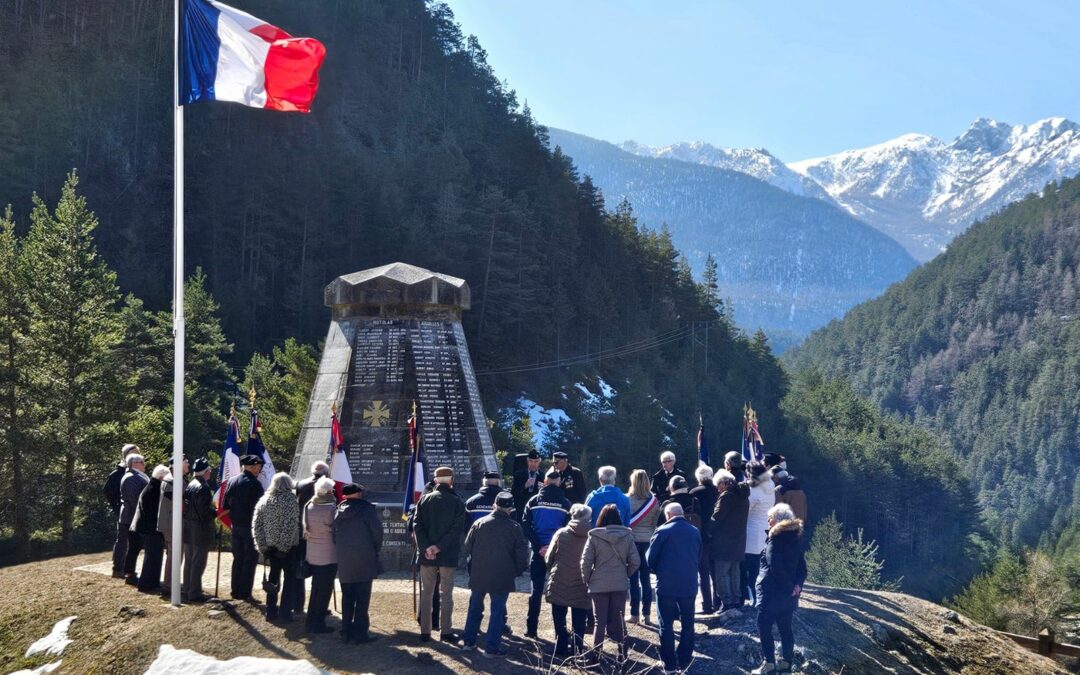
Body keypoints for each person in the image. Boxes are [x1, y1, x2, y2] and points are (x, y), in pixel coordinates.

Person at [462, 491, 529, 656]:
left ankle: (469, 642)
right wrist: (516, 571)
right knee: (497, 611)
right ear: (510, 508)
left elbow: (467, 546)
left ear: (495, 505)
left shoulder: (479, 523)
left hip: (479, 572)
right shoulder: (514, 527)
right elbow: (522, 555)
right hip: (503, 574)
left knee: (475, 607)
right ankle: (491, 647)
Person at [412, 466, 467, 643]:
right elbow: (456, 530)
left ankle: (425, 632)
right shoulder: (457, 502)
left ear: (436, 480)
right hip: (447, 554)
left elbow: (416, 525)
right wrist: (439, 547)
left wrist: (427, 547)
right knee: (446, 594)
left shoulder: (424, 499)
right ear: (451, 480)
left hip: (426, 555)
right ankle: (446, 631)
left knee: (426, 593)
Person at [751, 504, 807, 675]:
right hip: (788, 596)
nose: (768, 520)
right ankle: (786, 662)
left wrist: (790, 587)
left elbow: (774, 567)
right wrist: (797, 586)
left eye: (771, 517)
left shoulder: (775, 539)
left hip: (771, 593)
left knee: (763, 626)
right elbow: (802, 569)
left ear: (779, 520)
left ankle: (769, 663)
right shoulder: (795, 539)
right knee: (785, 629)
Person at [647, 502, 702, 673]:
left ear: (668, 515)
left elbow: (650, 560)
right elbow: (698, 556)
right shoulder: (695, 531)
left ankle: (669, 664)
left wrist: (659, 571)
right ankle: (685, 660)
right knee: (688, 624)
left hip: (667, 585)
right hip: (689, 584)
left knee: (666, 625)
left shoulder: (662, 531)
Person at [581, 503, 639, 663]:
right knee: (619, 620)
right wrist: (625, 574)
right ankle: (622, 654)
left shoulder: (594, 537)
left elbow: (585, 562)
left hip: (598, 584)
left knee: (599, 621)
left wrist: (587, 579)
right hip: (619, 583)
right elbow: (635, 561)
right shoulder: (627, 536)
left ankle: (596, 656)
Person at [522, 468, 571, 638]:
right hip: (557, 553)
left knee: (535, 590)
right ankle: (560, 631)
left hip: (538, 551)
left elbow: (526, 526)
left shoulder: (533, 501)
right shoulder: (565, 504)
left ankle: (531, 629)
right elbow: (567, 530)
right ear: (559, 483)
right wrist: (551, 547)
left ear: (545, 481)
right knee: (558, 591)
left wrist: (539, 547)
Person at [334, 482, 384, 644]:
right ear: (358, 494)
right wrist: (374, 550)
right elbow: (377, 533)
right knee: (362, 599)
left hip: (344, 559)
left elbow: (334, 536)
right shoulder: (367, 509)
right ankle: (360, 634)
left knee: (347, 597)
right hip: (364, 558)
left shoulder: (337, 511)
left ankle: (345, 631)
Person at [545, 503, 593, 657]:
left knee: (559, 615)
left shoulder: (561, 533)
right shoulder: (592, 536)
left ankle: (560, 646)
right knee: (579, 617)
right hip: (582, 581)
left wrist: (552, 570)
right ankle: (577, 647)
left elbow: (549, 557)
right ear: (588, 518)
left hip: (560, 578)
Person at [254, 472, 301, 622]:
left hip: (270, 548)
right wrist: (284, 547)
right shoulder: (291, 500)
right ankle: (286, 612)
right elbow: (290, 526)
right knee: (289, 580)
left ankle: (270, 611)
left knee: (273, 578)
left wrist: (263, 546)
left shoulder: (264, 500)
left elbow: (257, 525)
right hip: (288, 549)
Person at [221, 454, 265, 601]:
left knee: (238, 559)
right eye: (257, 467)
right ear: (251, 467)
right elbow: (258, 509)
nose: (259, 469)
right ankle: (245, 593)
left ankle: (235, 591)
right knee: (249, 560)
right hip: (249, 527)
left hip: (236, 526)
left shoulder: (232, 481)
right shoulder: (255, 484)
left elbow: (225, 505)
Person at [710, 469, 749, 612]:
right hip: (738, 539)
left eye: (718, 484)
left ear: (725, 482)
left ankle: (726, 602)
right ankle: (736, 599)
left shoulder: (726, 496)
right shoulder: (743, 495)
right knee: (735, 571)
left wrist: (707, 531)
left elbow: (717, 517)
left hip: (723, 541)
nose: (717, 488)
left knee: (721, 572)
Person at [303, 476, 338, 634]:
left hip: (312, 554)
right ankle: (318, 624)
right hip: (328, 555)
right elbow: (335, 529)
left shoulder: (309, 505)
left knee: (316, 589)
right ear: (327, 491)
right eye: (332, 490)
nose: (334, 492)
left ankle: (310, 620)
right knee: (324, 591)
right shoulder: (331, 509)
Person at [294, 460, 329, 611]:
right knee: (321, 572)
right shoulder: (328, 486)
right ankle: (318, 606)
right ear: (326, 473)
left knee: (301, 567)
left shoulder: (301, 484)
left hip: (303, 531)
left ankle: (298, 605)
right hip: (321, 534)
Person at [625, 469, 659, 625]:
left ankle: (634, 614)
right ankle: (647, 615)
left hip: (632, 542)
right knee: (646, 580)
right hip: (648, 542)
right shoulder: (654, 501)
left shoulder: (627, 500)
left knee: (633, 580)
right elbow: (655, 524)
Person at [182, 458, 215, 603]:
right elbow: (204, 512)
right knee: (198, 562)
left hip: (189, 527)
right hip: (200, 529)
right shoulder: (204, 487)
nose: (211, 473)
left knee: (189, 560)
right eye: (209, 470)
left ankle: (187, 589)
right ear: (206, 472)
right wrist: (216, 512)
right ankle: (194, 593)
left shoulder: (190, 484)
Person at [132, 465, 168, 593]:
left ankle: (152, 582)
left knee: (154, 556)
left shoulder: (152, 487)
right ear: (161, 477)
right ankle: (147, 584)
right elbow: (154, 512)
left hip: (149, 528)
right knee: (152, 556)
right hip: (150, 529)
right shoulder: (154, 489)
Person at [105, 444, 140, 578]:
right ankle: (118, 568)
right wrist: (118, 507)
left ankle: (126, 568)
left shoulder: (136, 472)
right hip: (124, 512)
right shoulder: (117, 474)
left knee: (131, 541)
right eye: (134, 454)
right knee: (122, 540)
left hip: (134, 512)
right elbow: (108, 491)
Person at [689, 464, 719, 612]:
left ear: (698, 477)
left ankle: (707, 605)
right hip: (716, 534)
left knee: (703, 571)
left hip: (700, 535)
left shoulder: (694, 492)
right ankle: (718, 602)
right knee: (716, 571)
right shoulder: (718, 491)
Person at [744, 462, 774, 605]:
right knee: (763, 566)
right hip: (765, 529)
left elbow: (745, 510)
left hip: (751, 531)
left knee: (751, 568)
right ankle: (764, 595)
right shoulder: (770, 486)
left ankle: (753, 597)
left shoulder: (753, 490)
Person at [158, 456, 188, 595]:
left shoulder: (177, 480)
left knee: (174, 555)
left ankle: (170, 584)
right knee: (175, 555)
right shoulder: (172, 481)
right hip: (172, 524)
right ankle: (169, 586)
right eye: (185, 462)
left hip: (173, 522)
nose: (187, 464)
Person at [119, 454, 149, 584]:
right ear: (134, 464)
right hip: (131, 517)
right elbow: (134, 500)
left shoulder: (136, 476)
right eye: (141, 462)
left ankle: (129, 572)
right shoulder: (132, 478)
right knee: (134, 546)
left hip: (133, 516)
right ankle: (130, 574)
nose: (144, 464)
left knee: (135, 546)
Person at [512, 449, 543, 521]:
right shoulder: (519, 475)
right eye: (531, 461)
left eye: (536, 462)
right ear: (527, 461)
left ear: (539, 462)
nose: (533, 464)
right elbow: (513, 494)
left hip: (535, 509)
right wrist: (525, 486)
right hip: (521, 508)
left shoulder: (543, 476)